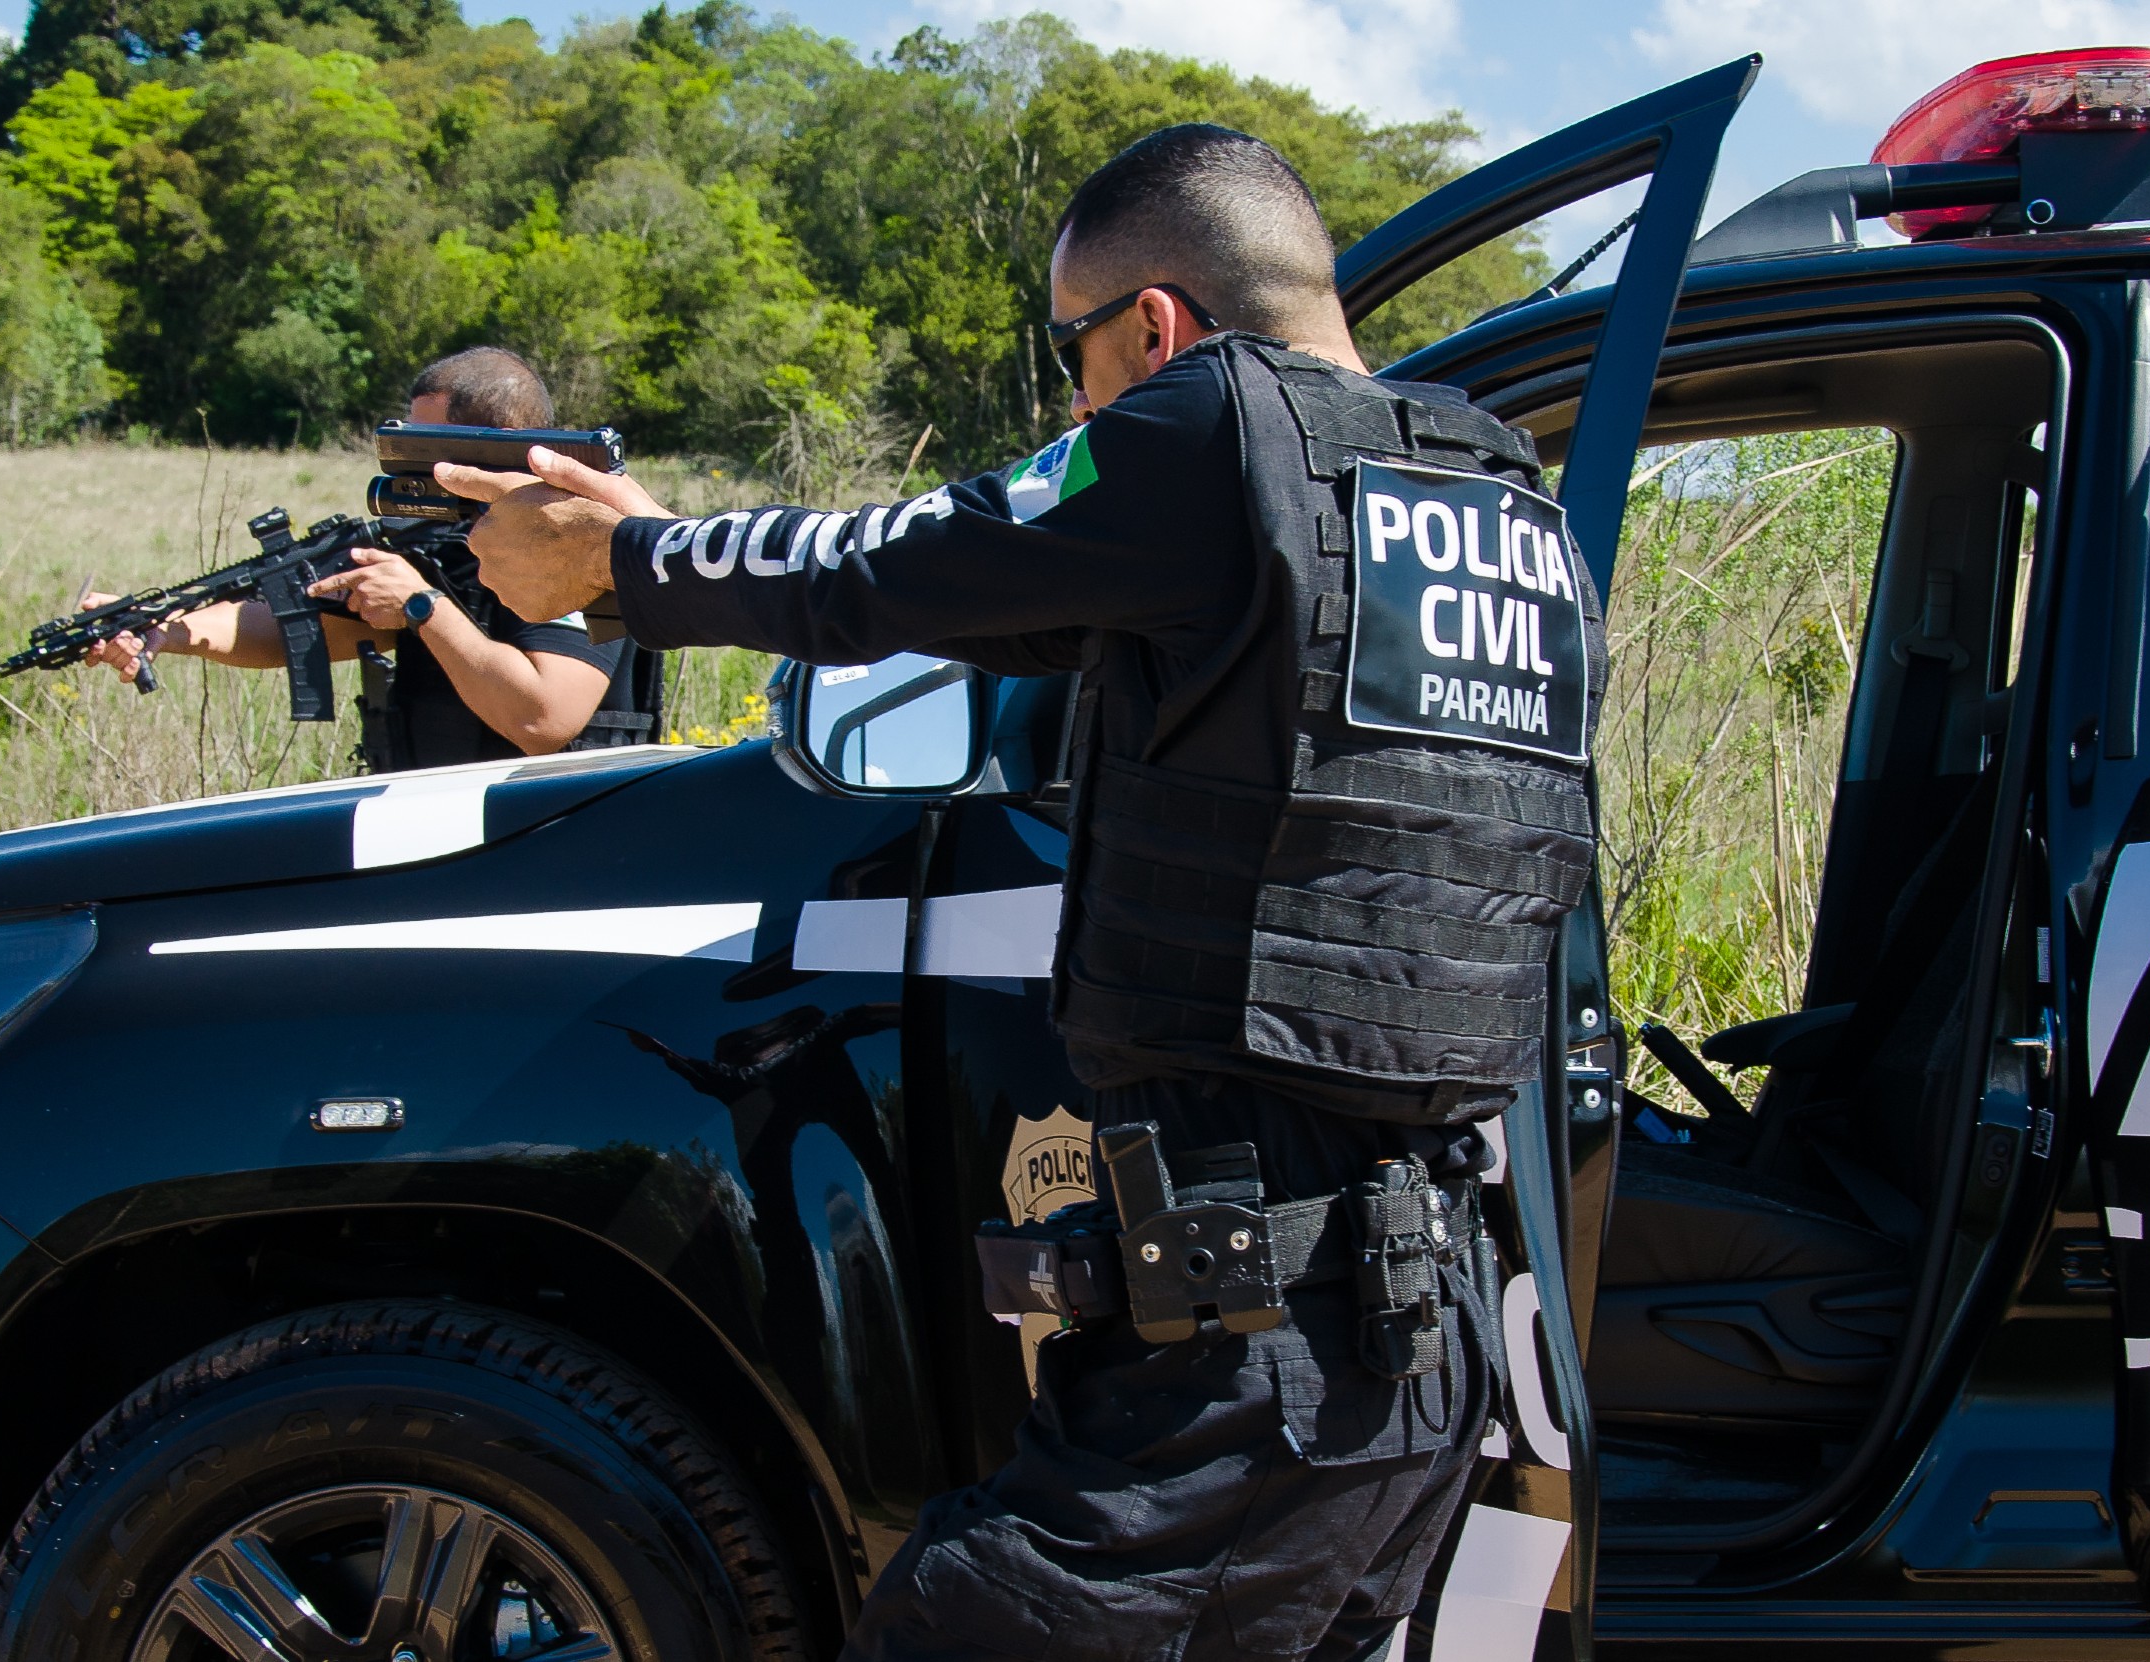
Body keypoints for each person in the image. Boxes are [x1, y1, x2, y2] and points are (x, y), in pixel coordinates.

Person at [446, 125, 1604, 1661]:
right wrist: (650, 545)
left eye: (1076, 354)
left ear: (1155, 325)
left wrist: (629, 563)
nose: (1075, 405)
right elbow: (1010, 607)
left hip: (1257, 1348)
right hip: (1419, 1339)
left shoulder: (1210, 427)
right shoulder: (1497, 505)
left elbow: (902, 558)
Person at [86, 346, 661, 770]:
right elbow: (300, 627)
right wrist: (167, 628)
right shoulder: (436, 540)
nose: (410, 468)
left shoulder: (580, 539)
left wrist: (421, 607)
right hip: (442, 825)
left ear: (501, 442)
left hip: (557, 831)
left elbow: (544, 718)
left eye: (426, 448)